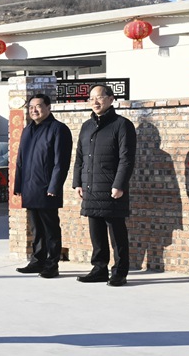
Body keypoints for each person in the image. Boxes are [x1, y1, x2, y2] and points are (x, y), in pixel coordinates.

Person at [72, 84, 136, 287]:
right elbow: (80, 157)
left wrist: (119, 185)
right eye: (91, 99)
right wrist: (77, 183)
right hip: (90, 187)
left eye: (99, 97)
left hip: (111, 188)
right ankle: (99, 269)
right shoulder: (86, 126)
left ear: (110, 99)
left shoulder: (122, 125)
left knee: (116, 232)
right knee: (96, 231)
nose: (95, 102)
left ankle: (120, 272)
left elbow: (126, 159)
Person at [13, 93, 73, 279]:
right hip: (30, 187)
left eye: (38, 106)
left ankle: (51, 264)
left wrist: (54, 186)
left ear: (48, 107)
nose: (34, 110)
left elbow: (60, 163)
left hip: (47, 189)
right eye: (31, 107)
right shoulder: (27, 130)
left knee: (50, 229)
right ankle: (37, 260)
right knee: (36, 228)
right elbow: (20, 160)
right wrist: (18, 184)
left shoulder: (58, 129)